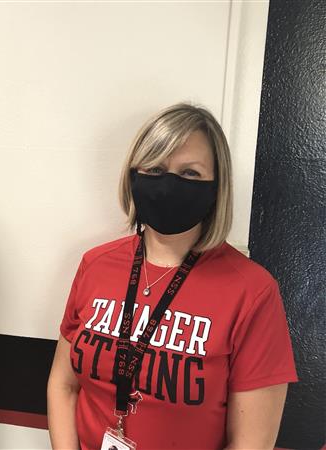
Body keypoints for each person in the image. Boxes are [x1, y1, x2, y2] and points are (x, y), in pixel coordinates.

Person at [47, 104, 298, 449]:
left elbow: (251, 443)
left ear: (217, 188)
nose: (168, 185)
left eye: (190, 173)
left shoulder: (253, 292)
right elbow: (63, 384)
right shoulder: (95, 264)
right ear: (134, 176)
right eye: (155, 169)